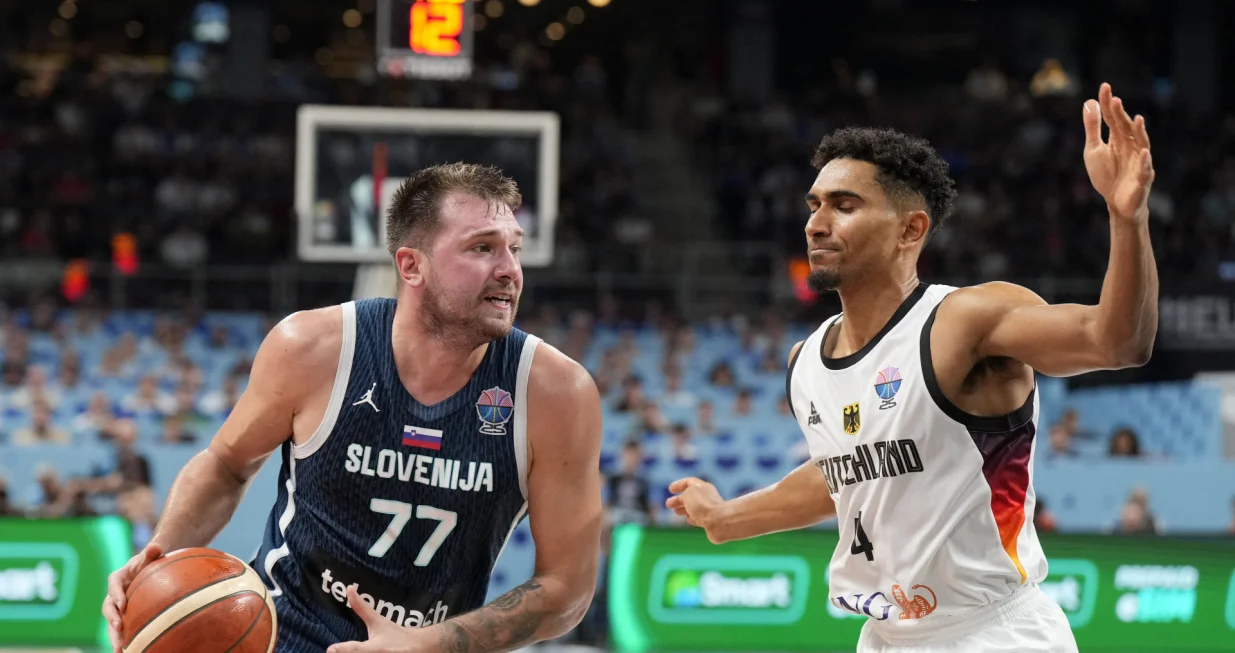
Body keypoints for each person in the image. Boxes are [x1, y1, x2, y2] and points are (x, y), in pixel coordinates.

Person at [667, 83, 1156, 653]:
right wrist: (727, 517)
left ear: (910, 230)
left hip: (993, 633)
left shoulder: (967, 320)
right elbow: (846, 476)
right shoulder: (806, 361)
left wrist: (1127, 219)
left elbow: (1116, 342)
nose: (816, 223)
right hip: (884, 637)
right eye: (815, 205)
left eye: (844, 206)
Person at [102, 163, 604, 653]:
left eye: (514, 248)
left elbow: (567, 589)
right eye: (482, 248)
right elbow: (226, 465)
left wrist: (426, 644)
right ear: (411, 266)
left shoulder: (556, 393)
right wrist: (157, 559)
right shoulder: (314, 347)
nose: (510, 270)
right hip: (283, 634)